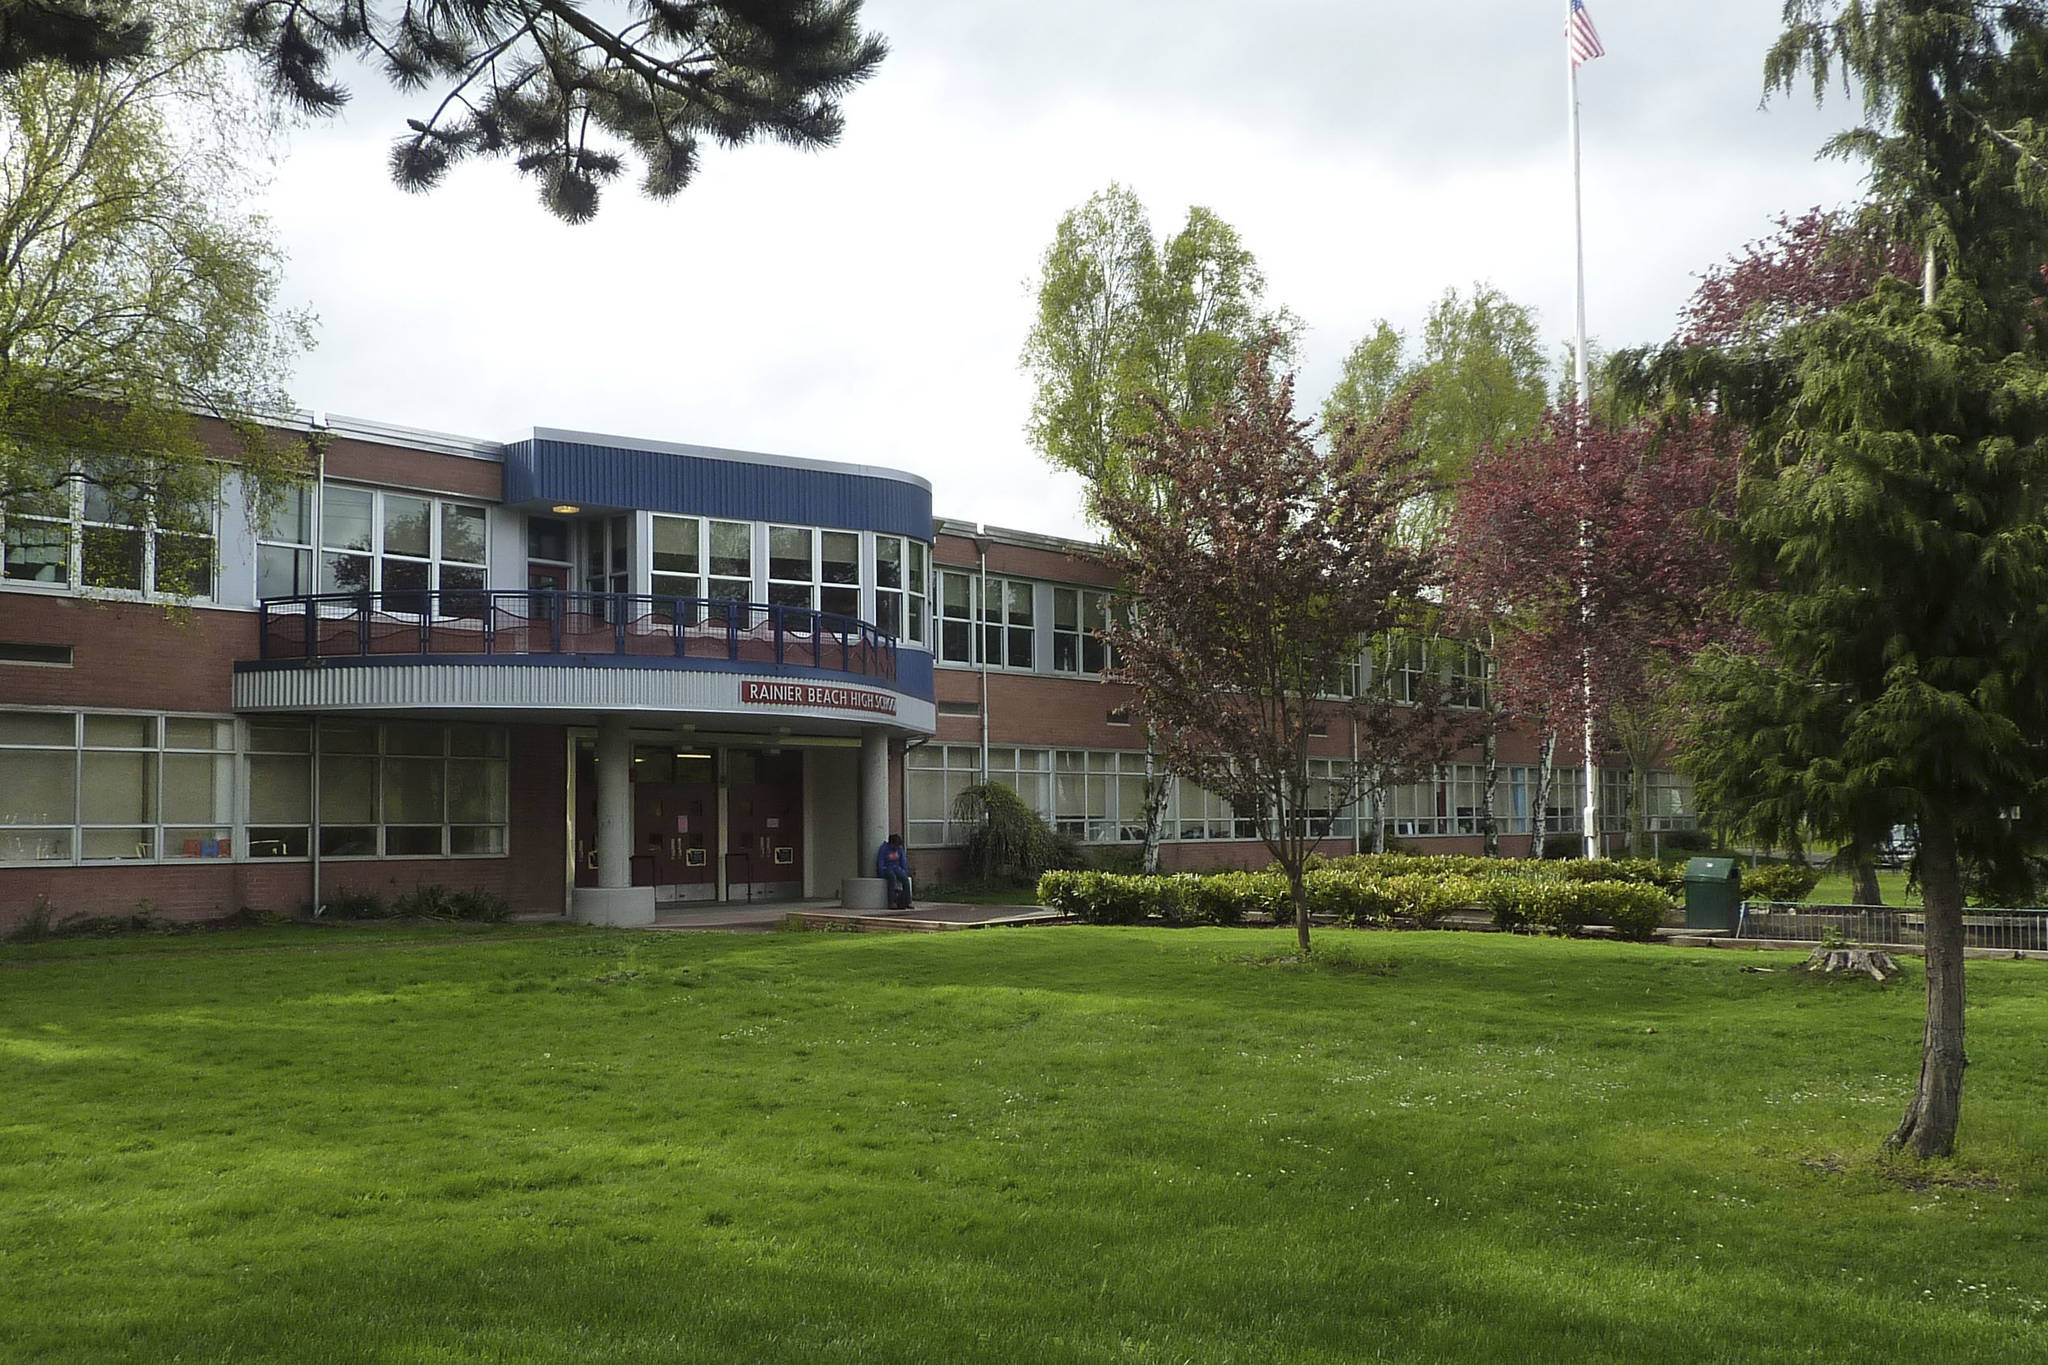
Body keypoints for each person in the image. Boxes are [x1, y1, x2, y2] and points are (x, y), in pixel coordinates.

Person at [876, 833, 913, 909]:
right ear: (891, 844)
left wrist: (904, 872)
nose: (896, 848)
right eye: (895, 845)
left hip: (896, 868)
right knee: (892, 878)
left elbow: (903, 861)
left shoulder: (899, 849)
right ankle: (892, 902)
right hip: (886, 868)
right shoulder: (884, 849)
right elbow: (880, 862)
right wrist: (881, 873)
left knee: (905, 879)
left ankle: (908, 901)